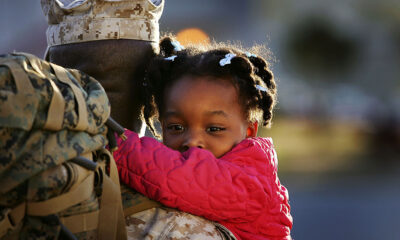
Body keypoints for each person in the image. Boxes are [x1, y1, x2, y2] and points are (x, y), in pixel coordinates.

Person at [113, 37, 293, 240]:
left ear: (249, 132)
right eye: (176, 127)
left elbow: (177, 176)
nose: (192, 140)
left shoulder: (249, 180)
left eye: (214, 128)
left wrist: (116, 145)